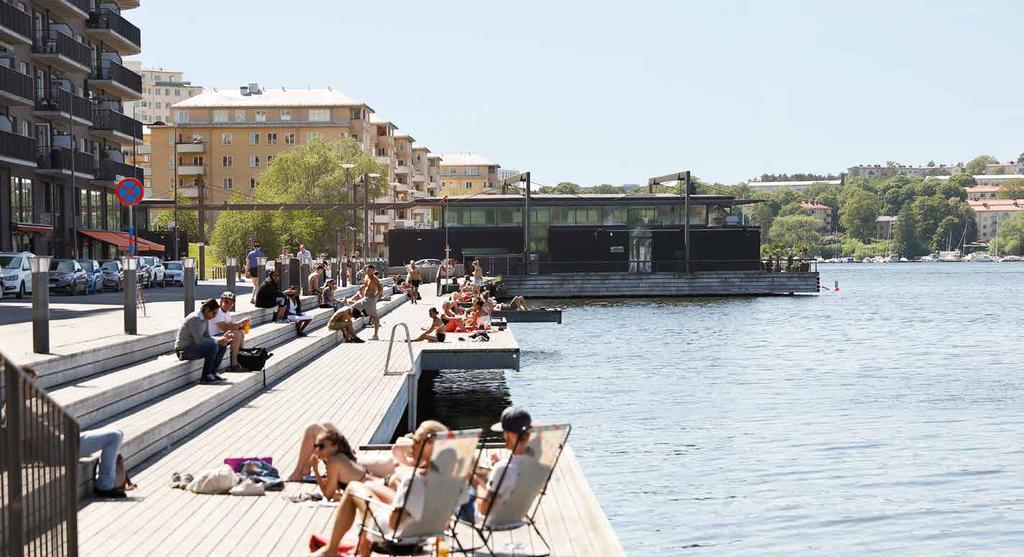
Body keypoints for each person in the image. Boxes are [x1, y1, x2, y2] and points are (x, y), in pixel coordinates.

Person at [309, 421, 463, 557]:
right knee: (368, 486)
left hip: (396, 538)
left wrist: (392, 507)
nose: (411, 445)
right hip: (425, 533)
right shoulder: (453, 476)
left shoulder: (413, 480)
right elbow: (445, 516)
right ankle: (361, 550)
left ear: (429, 446)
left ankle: (333, 549)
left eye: (415, 441)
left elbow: (394, 522)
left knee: (353, 488)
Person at [464, 407, 535, 520]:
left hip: (495, 519)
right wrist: (501, 464)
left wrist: (474, 481)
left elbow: (484, 509)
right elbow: (511, 477)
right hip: (518, 515)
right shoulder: (536, 465)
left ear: (508, 434)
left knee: (464, 487)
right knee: (483, 475)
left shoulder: (504, 469)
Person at [175, 298, 234, 383]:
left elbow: (208, 336)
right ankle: (205, 377)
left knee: (222, 345)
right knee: (213, 345)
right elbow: (199, 340)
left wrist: (222, 339)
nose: (214, 316)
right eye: (213, 313)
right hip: (184, 351)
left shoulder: (205, 318)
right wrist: (217, 341)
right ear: (206, 309)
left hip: (195, 347)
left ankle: (213, 372)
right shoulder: (194, 318)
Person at [307, 430, 372, 501]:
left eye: (321, 446)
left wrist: (315, 469)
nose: (317, 450)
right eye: (316, 446)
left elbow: (328, 495)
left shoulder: (333, 461)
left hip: (373, 491)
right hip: (372, 489)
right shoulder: (341, 457)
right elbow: (336, 489)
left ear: (334, 446)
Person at [80, 426, 129, 497]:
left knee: (118, 432)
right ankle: (105, 485)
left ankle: (107, 482)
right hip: (62, 444)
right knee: (114, 436)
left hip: (68, 438)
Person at [208, 291, 250, 372]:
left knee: (240, 333)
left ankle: (240, 360)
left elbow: (232, 325)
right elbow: (225, 327)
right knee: (236, 335)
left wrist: (241, 326)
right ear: (221, 302)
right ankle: (234, 365)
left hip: (220, 335)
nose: (228, 304)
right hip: (213, 337)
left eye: (231, 303)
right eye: (226, 302)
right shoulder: (218, 312)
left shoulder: (226, 313)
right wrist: (241, 322)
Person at [362, 264, 382, 340]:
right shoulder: (366, 277)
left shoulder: (375, 279)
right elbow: (365, 286)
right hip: (365, 299)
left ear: (373, 271)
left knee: (375, 316)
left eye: (369, 270)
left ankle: (376, 335)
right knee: (353, 307)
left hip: (371, 299)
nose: (367, 271)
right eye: (367, 270)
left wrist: (376, 296)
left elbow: (380, 288)